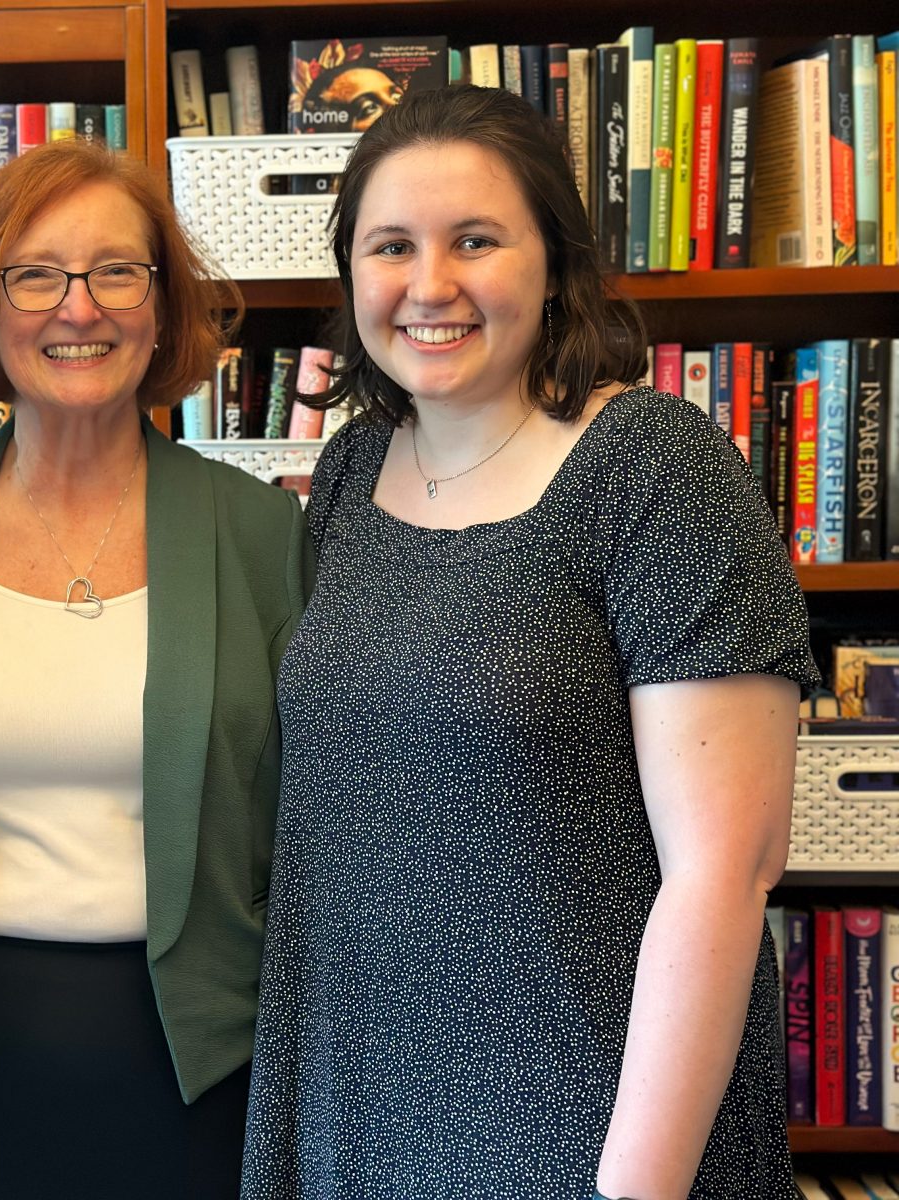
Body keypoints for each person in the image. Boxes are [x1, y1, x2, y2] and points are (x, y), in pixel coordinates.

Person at [241, 86, 816, 1200]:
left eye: (475, 241)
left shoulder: (652, 465)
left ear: (552, 262)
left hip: (591, 1127)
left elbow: (723, 873)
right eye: (390, 246)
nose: (429, 285)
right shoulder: (354, 472)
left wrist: (631, 1190)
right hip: (361, 1108)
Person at [0, 138, 311, 1199]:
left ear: (161, 309)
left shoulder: (262, 539)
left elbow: (313, 831)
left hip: (201, 1077)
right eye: (36, 275)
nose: (80, 308)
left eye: (118, 271)